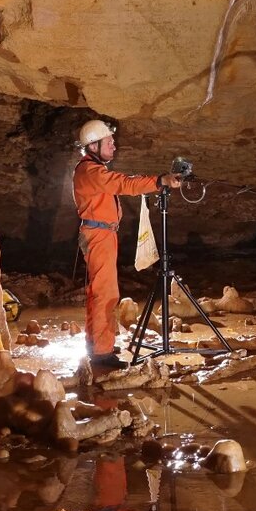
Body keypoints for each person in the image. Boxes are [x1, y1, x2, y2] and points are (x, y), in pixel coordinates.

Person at [73, 119, 180, 368]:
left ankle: (98, 344)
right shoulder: (91, 171)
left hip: (101, 234)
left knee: (98, 292)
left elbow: (120, 183)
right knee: (105, 294)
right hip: (99, 236)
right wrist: (159, 181)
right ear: (94, 146)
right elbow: (123, 183)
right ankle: (102, 352)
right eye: (109, 142)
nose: (114, 146)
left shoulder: (90, 169)